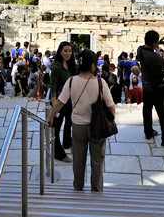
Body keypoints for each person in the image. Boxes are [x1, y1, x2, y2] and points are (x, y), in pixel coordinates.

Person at [46, 49, 115, 192]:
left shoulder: (71, 81)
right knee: (97, 160)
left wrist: (50, 117)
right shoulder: (101, 83)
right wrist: (110, 119)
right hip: (97, 127)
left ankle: (78, 187)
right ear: (92, 65)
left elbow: (59, 102)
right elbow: (111, 107)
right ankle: (96, 189)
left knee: (78, 160)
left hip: (78, 126)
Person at [137, 30, 164, 146]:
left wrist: (156, 46)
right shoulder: (153, 56)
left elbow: (149, 53)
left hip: (146, 86)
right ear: (153, 43)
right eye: (156, 43)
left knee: (147, 110)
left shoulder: (140, 49)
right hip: (158, 88)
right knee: (163, 115)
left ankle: (148, 132)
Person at [49, 41, 76, 162]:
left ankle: (67, 142)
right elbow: (53, 87)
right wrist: (55, 107)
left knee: (70, 122)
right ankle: (58, 153)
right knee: (57, 127)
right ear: (60, 51)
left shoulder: (70, 65)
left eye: (69, 51)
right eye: (65, 51)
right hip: (59, 101)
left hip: (69, 100)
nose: (68, 53)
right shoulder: (56, 66)